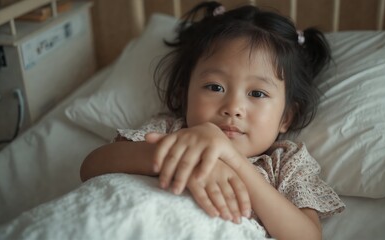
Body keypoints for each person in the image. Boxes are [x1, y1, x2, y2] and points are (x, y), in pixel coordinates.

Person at [80, 1, 345, 239]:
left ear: (286, 117)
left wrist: (233, 162)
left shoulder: (285, 161)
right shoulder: (171, 130)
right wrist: (175, 158)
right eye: (215, 87)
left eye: (257, 93)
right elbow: (90, 166)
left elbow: (307, 236)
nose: (233, 108)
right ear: (184, 96)